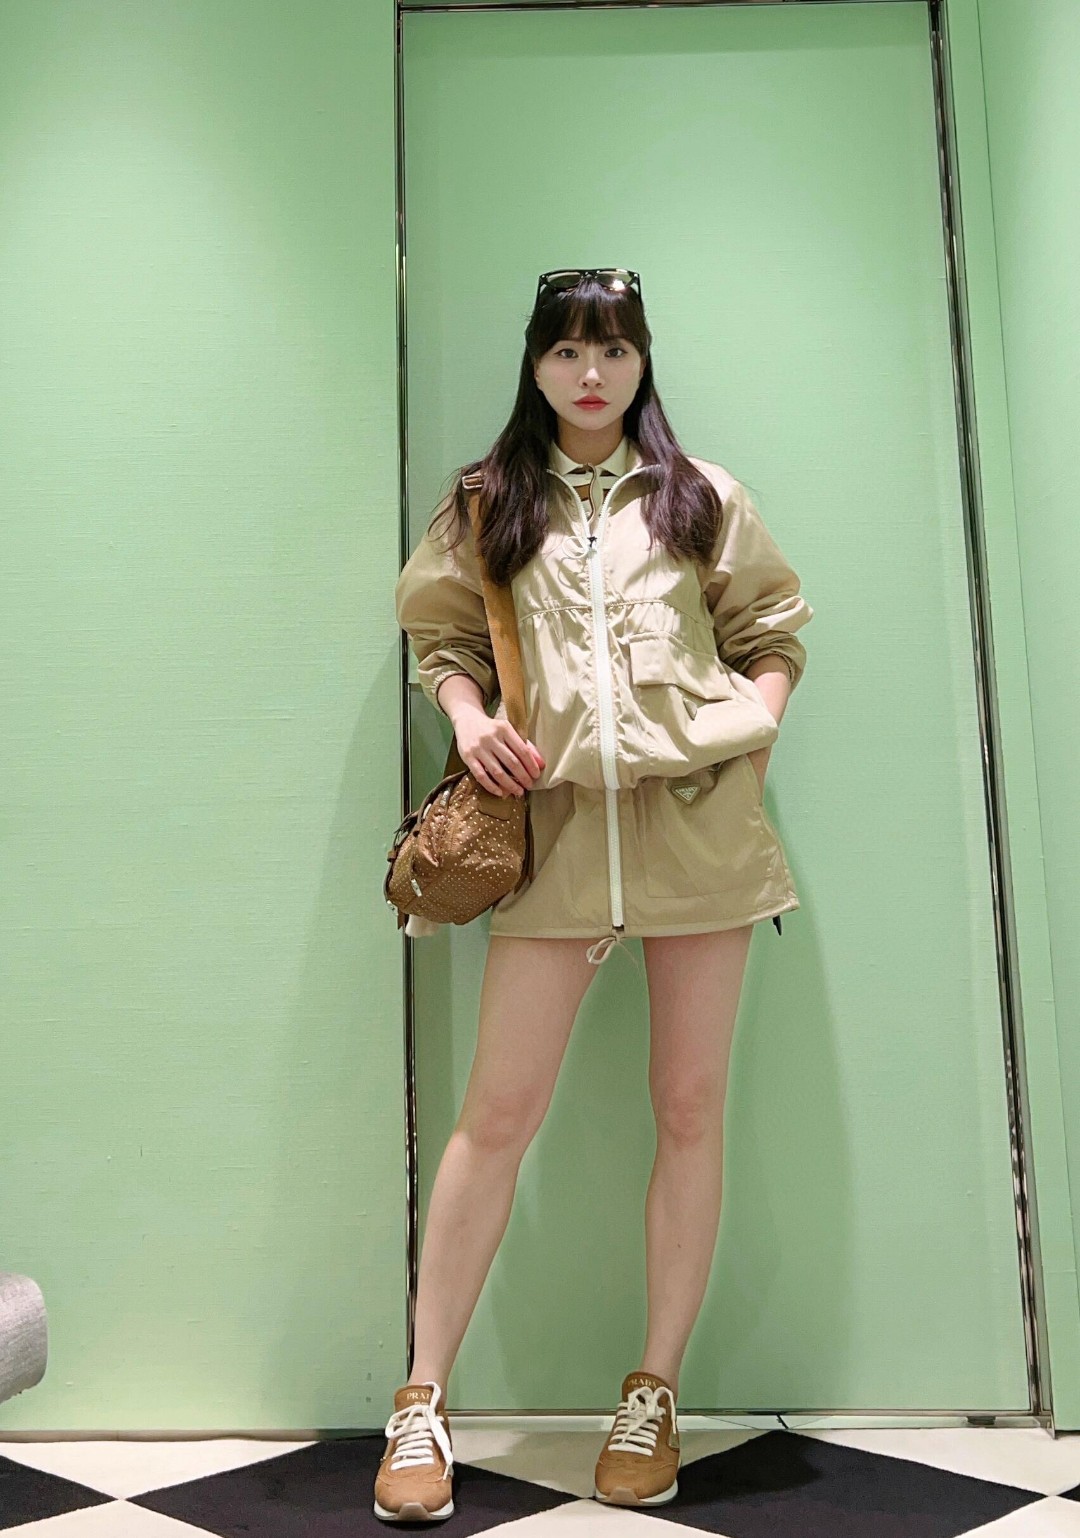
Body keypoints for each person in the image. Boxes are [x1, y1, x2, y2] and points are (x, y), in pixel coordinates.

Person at [375, 268, 813, 1523]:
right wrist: (467, 720)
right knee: (495, 1114)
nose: (590, 373)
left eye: (613, 349)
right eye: (567, 350)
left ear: (641, 361)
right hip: (555, 844)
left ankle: (653, 1389)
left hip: (699, 842)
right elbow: (444, 639)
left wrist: (747, 729)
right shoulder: (488, 500)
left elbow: (773, 630)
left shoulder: (699, 496)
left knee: (690, 1106)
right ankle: (423, 1397)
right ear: (535, 362)